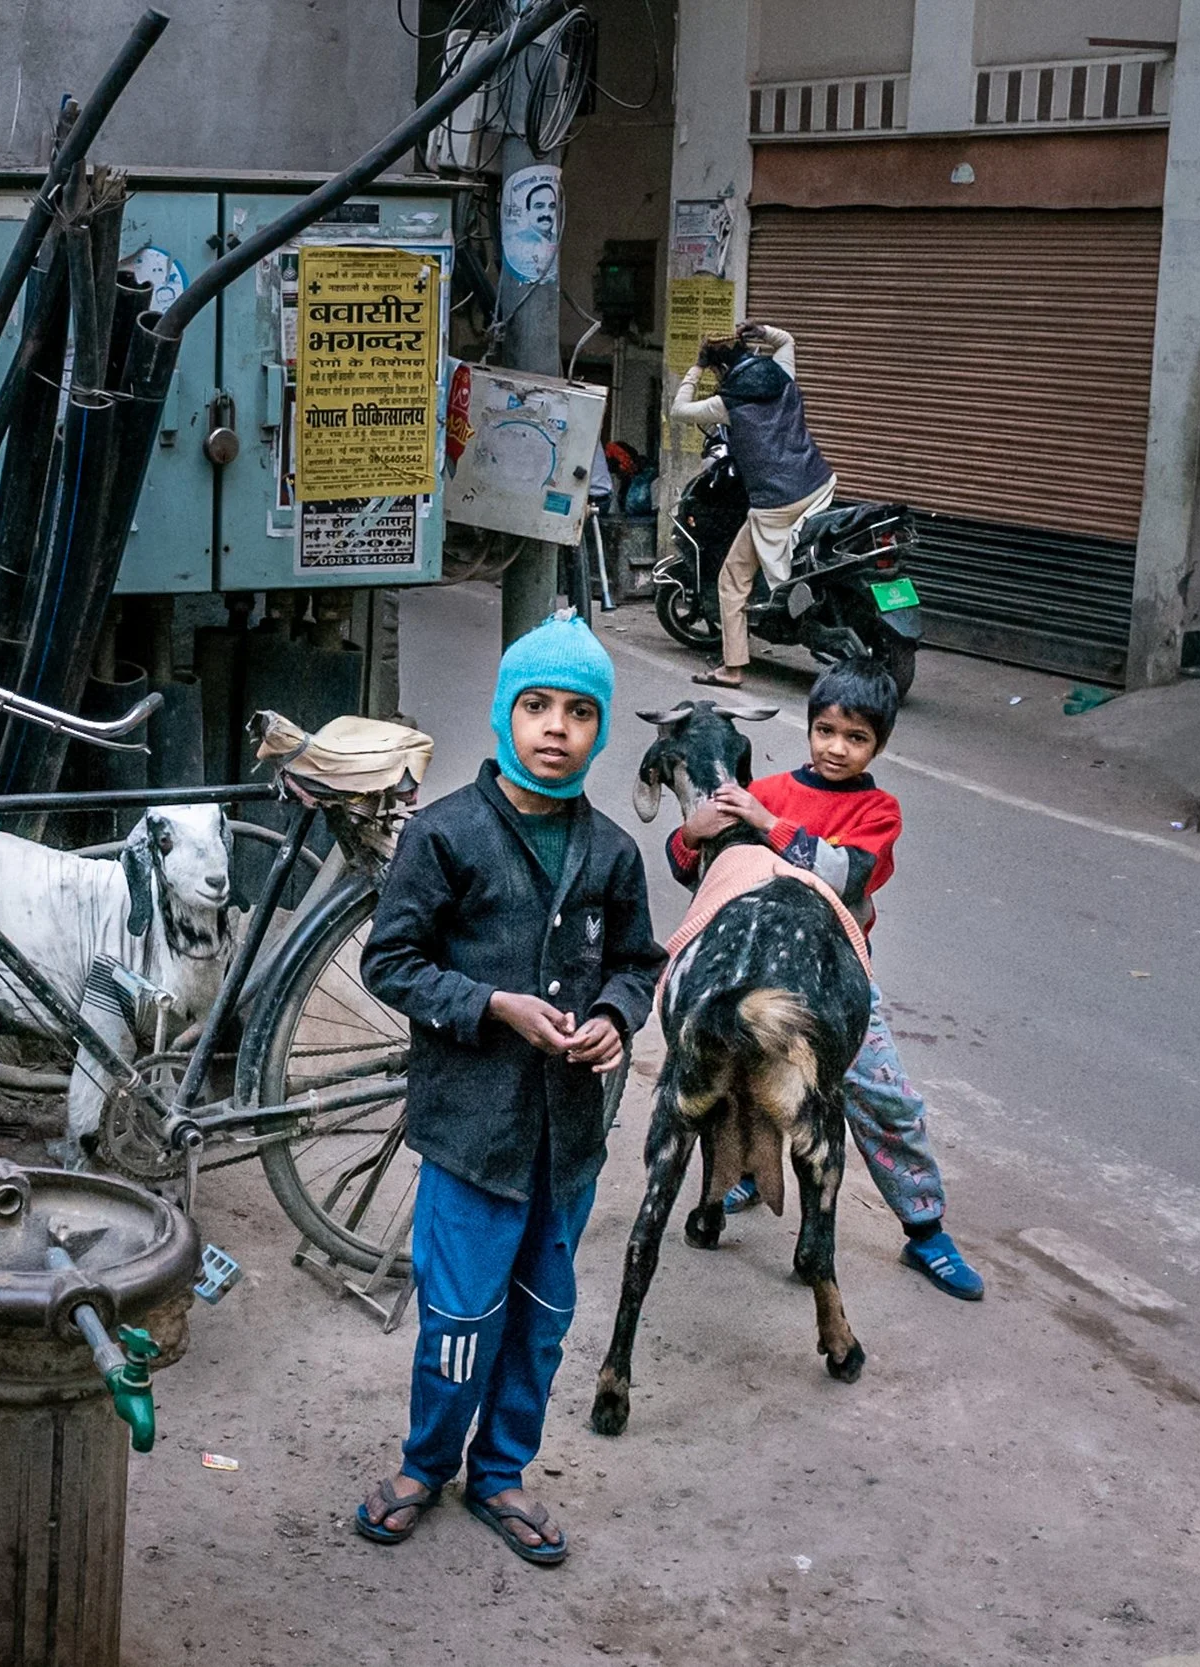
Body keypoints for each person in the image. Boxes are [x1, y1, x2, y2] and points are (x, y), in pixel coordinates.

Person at [348, 615, 665, 1563]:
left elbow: (639, 963)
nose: (556, 727)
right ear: (503, 714)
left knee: (541, 1317)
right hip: (471, 1133)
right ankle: (425, 1464)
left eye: (578, 711)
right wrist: (491, 1004)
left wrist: (614, 1015)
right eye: (536, 706)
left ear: (599, 730)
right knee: (461, 1315)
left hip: (564, 1140)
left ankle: (502, 1472)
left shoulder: (611, 853)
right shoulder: (446, 836)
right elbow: (391, 961)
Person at [666, 659, 985, 1300]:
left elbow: (846, 875)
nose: (837, 748)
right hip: (755, 976)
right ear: (809, 728)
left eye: (857, 737)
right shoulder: (772, 788)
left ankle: (925, 1230)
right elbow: (703, 869)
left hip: (838, 989)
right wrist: (688, 834)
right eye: (826, 730)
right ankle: (752, 1172)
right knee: (738, 1075)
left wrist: (765, 824)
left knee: (884, 1098)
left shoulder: (877, 812)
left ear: (880, 745)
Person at [670, 321, 836, 690]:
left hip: (776, 502)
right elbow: (787, 339)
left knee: (732, 579)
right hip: (819, 483)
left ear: (720, 369)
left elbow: (679, 410)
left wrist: (696, 367)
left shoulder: (728, 403)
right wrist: (761, 329)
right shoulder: (783, 373)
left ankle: (732, 669)